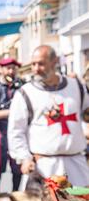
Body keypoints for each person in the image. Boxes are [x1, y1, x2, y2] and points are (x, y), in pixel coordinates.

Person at [8, 45, 89, 187]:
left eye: (41, 63)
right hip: (44, 168)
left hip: (77, 166)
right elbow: (16, 131)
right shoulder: (25, 93)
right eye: (33, 64)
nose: (35, 69)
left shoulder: (76, 86)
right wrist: (24, 158)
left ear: (54, 61)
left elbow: (86, 114)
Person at [0, 58, 23, 193]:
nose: (11, 71)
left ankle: (16, 194)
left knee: (17, 168)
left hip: (18, 134)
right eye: (8, 68)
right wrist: (14, 112)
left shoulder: (22, 87)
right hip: (0, 133)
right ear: (1, 69)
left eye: (13, 68)